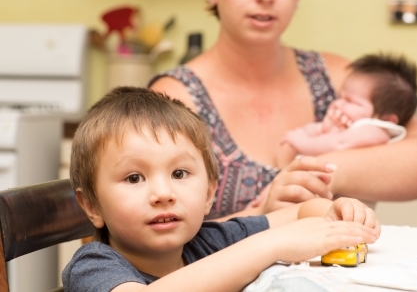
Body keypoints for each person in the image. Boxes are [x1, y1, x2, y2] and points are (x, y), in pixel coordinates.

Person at [148, 0, 417, 220]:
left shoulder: (340, 78)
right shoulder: (175, 97)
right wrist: (260, 217)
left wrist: (320, 173)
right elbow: (152, 238)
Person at [62, 86, 380, 292]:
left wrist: (337, 212)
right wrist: (271, 246)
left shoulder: (208, 242)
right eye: (134, 178)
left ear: (210, 193)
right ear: (91, 205)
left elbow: (297, 213)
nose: (163, 193)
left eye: (179, 173)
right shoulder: (93, 266)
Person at [280, 53, 417, 159]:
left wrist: (302, 142)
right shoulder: (349, 126)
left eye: (350, 101)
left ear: (386, 119)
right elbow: (322, 135)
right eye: (340, 97)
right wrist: (322, 128)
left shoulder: (375, 131)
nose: (338, 103)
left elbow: (340, 144)